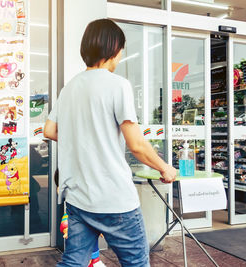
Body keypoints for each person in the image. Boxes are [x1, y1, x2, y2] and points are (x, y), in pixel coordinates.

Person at [44, 19, 177, 267]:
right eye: (121, 51)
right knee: (136, 262)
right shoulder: (118, 85)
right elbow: (136, 144)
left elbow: (49, 130)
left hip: (78, 198)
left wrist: (83, 136)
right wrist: (165, 168)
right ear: (113, 50)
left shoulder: (69, 87)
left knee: (74, 262)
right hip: (114, 199)